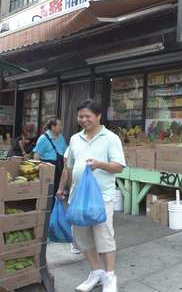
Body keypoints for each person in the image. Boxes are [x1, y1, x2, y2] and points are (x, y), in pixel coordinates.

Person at [57, 100, 125, 292]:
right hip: (77, 197)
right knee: (82, 238)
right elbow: (68, 167)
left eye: (88, 116)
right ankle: (96, 272)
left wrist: (99, 164)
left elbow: (119, 167)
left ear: (98, 116)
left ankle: (110, 277)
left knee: (105, 236)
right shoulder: (74, 139)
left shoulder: (110, 138)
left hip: (102, 197)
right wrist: (63, 190)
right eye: (80, 116)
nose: (83, 120)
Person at [33, 119, 67, 205]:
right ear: (53, 127)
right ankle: (48, 209)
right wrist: (36, 170)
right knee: (49, 190)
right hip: (48, 166)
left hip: (59, 166)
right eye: (59, 126)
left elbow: (66, 151)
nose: (61, 128)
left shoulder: (61, 137)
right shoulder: (43, 138)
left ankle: (55, 209)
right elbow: (37, 155)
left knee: (58, 189)